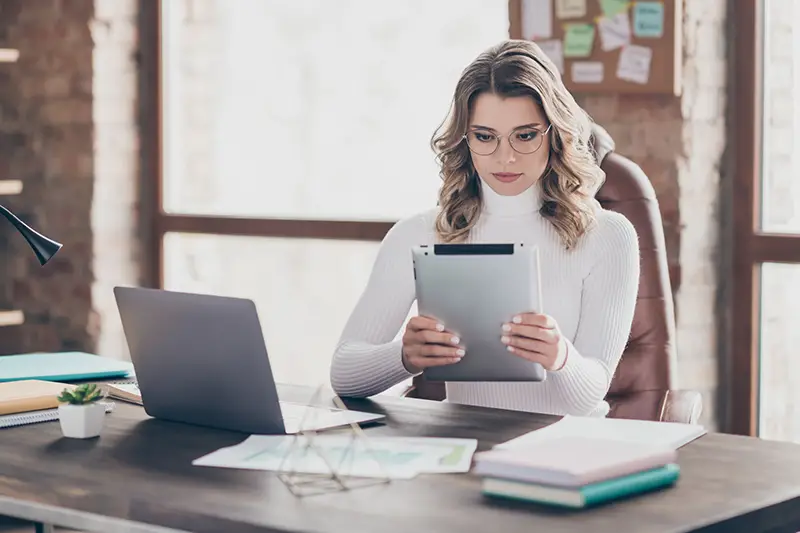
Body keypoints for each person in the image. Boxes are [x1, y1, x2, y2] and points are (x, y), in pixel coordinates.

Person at [329, 39, 640, 417]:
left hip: (569, 449)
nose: (504, 157)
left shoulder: (608, 236)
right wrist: (404, 356)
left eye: (525, 136)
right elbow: (343, 373)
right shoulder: (421, 232)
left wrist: (560, 357)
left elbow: (587, 396)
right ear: (465, 138)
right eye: (485, 136)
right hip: (468, 448)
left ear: (554, 134)